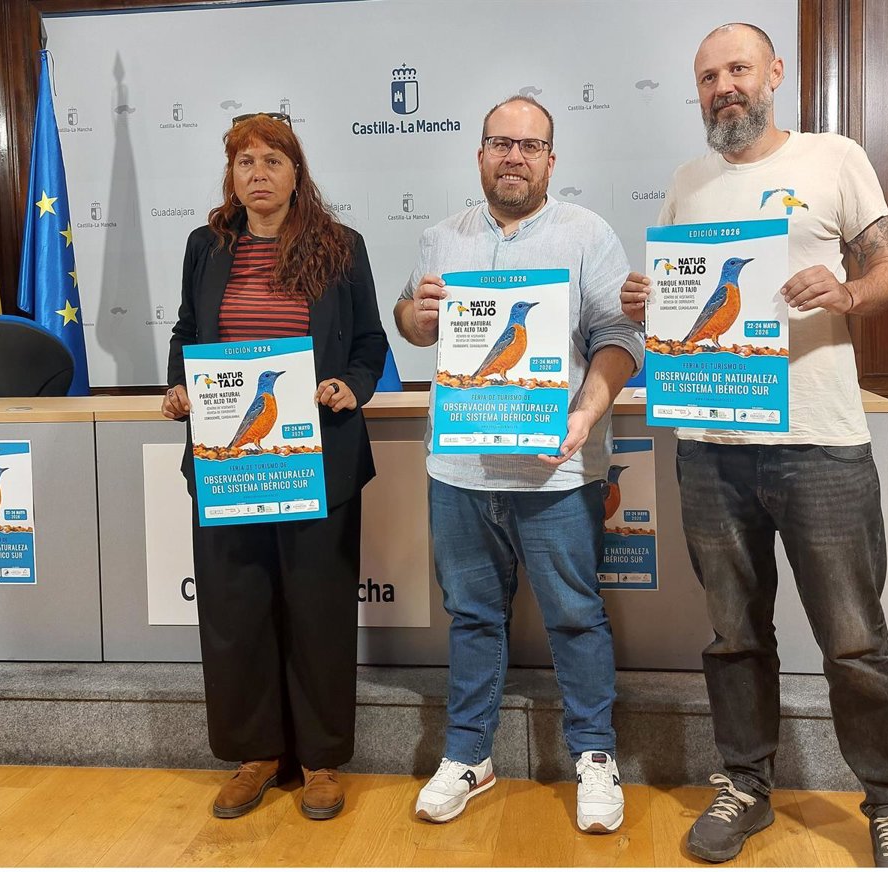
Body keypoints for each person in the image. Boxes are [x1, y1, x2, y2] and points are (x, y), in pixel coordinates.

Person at [621, 23, 888, 867]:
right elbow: (676, 306)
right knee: (733, 636)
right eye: (708, 76)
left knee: (854, 642)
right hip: (710, 447)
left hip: (819, 442)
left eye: (739, 69)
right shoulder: (686, 183)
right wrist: (647, 303)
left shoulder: (834, 157)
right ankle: (746, 785)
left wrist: (849, 290)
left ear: (775, 73)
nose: (724, 87)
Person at [394, 95, 642, 835]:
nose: (514, 157)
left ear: (550, 161)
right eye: (501, 143)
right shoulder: (441, 238)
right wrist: (417, 317)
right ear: (480, 154)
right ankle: (469, 755)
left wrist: (585, 414)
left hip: (555, 472)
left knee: (576, 618)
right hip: (460, 472)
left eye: (530, 146)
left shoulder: (587, 234)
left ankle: (594, 756)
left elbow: (621, 337)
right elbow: (409, 319)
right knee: (472, 618)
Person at [163, 112, 387, 822]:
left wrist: (354, 385)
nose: (258, 174)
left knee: (318, 611)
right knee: (235, 609)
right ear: (231, 175)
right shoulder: (207, 246)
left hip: (317, 459)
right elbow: (188, 333)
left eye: (272, 161)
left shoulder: (341, 246)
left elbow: (371, 341)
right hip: (228, 460)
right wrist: (179, 387)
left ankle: (320, 760)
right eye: (245, 162)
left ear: (297, 173)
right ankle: (255, 754)